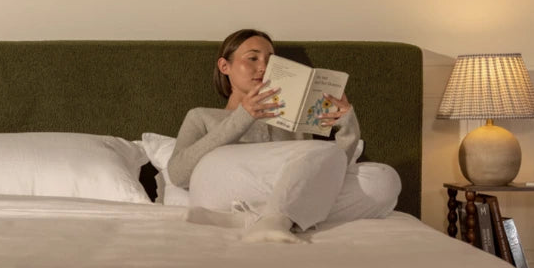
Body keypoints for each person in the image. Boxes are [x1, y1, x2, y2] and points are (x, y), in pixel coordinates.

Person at [168, 29, 401, 242]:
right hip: (219, 190)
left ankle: (261, 218)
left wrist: (347, 126)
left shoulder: (292, 123)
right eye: (253, 58)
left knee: (383, 181)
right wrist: (243, 117)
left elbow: (327, 170)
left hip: (278, 194)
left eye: (270, 60)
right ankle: (280, 217)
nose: (263, 67)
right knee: (322, 153)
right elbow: (178, 174)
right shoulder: (201, 116)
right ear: (224, 66)